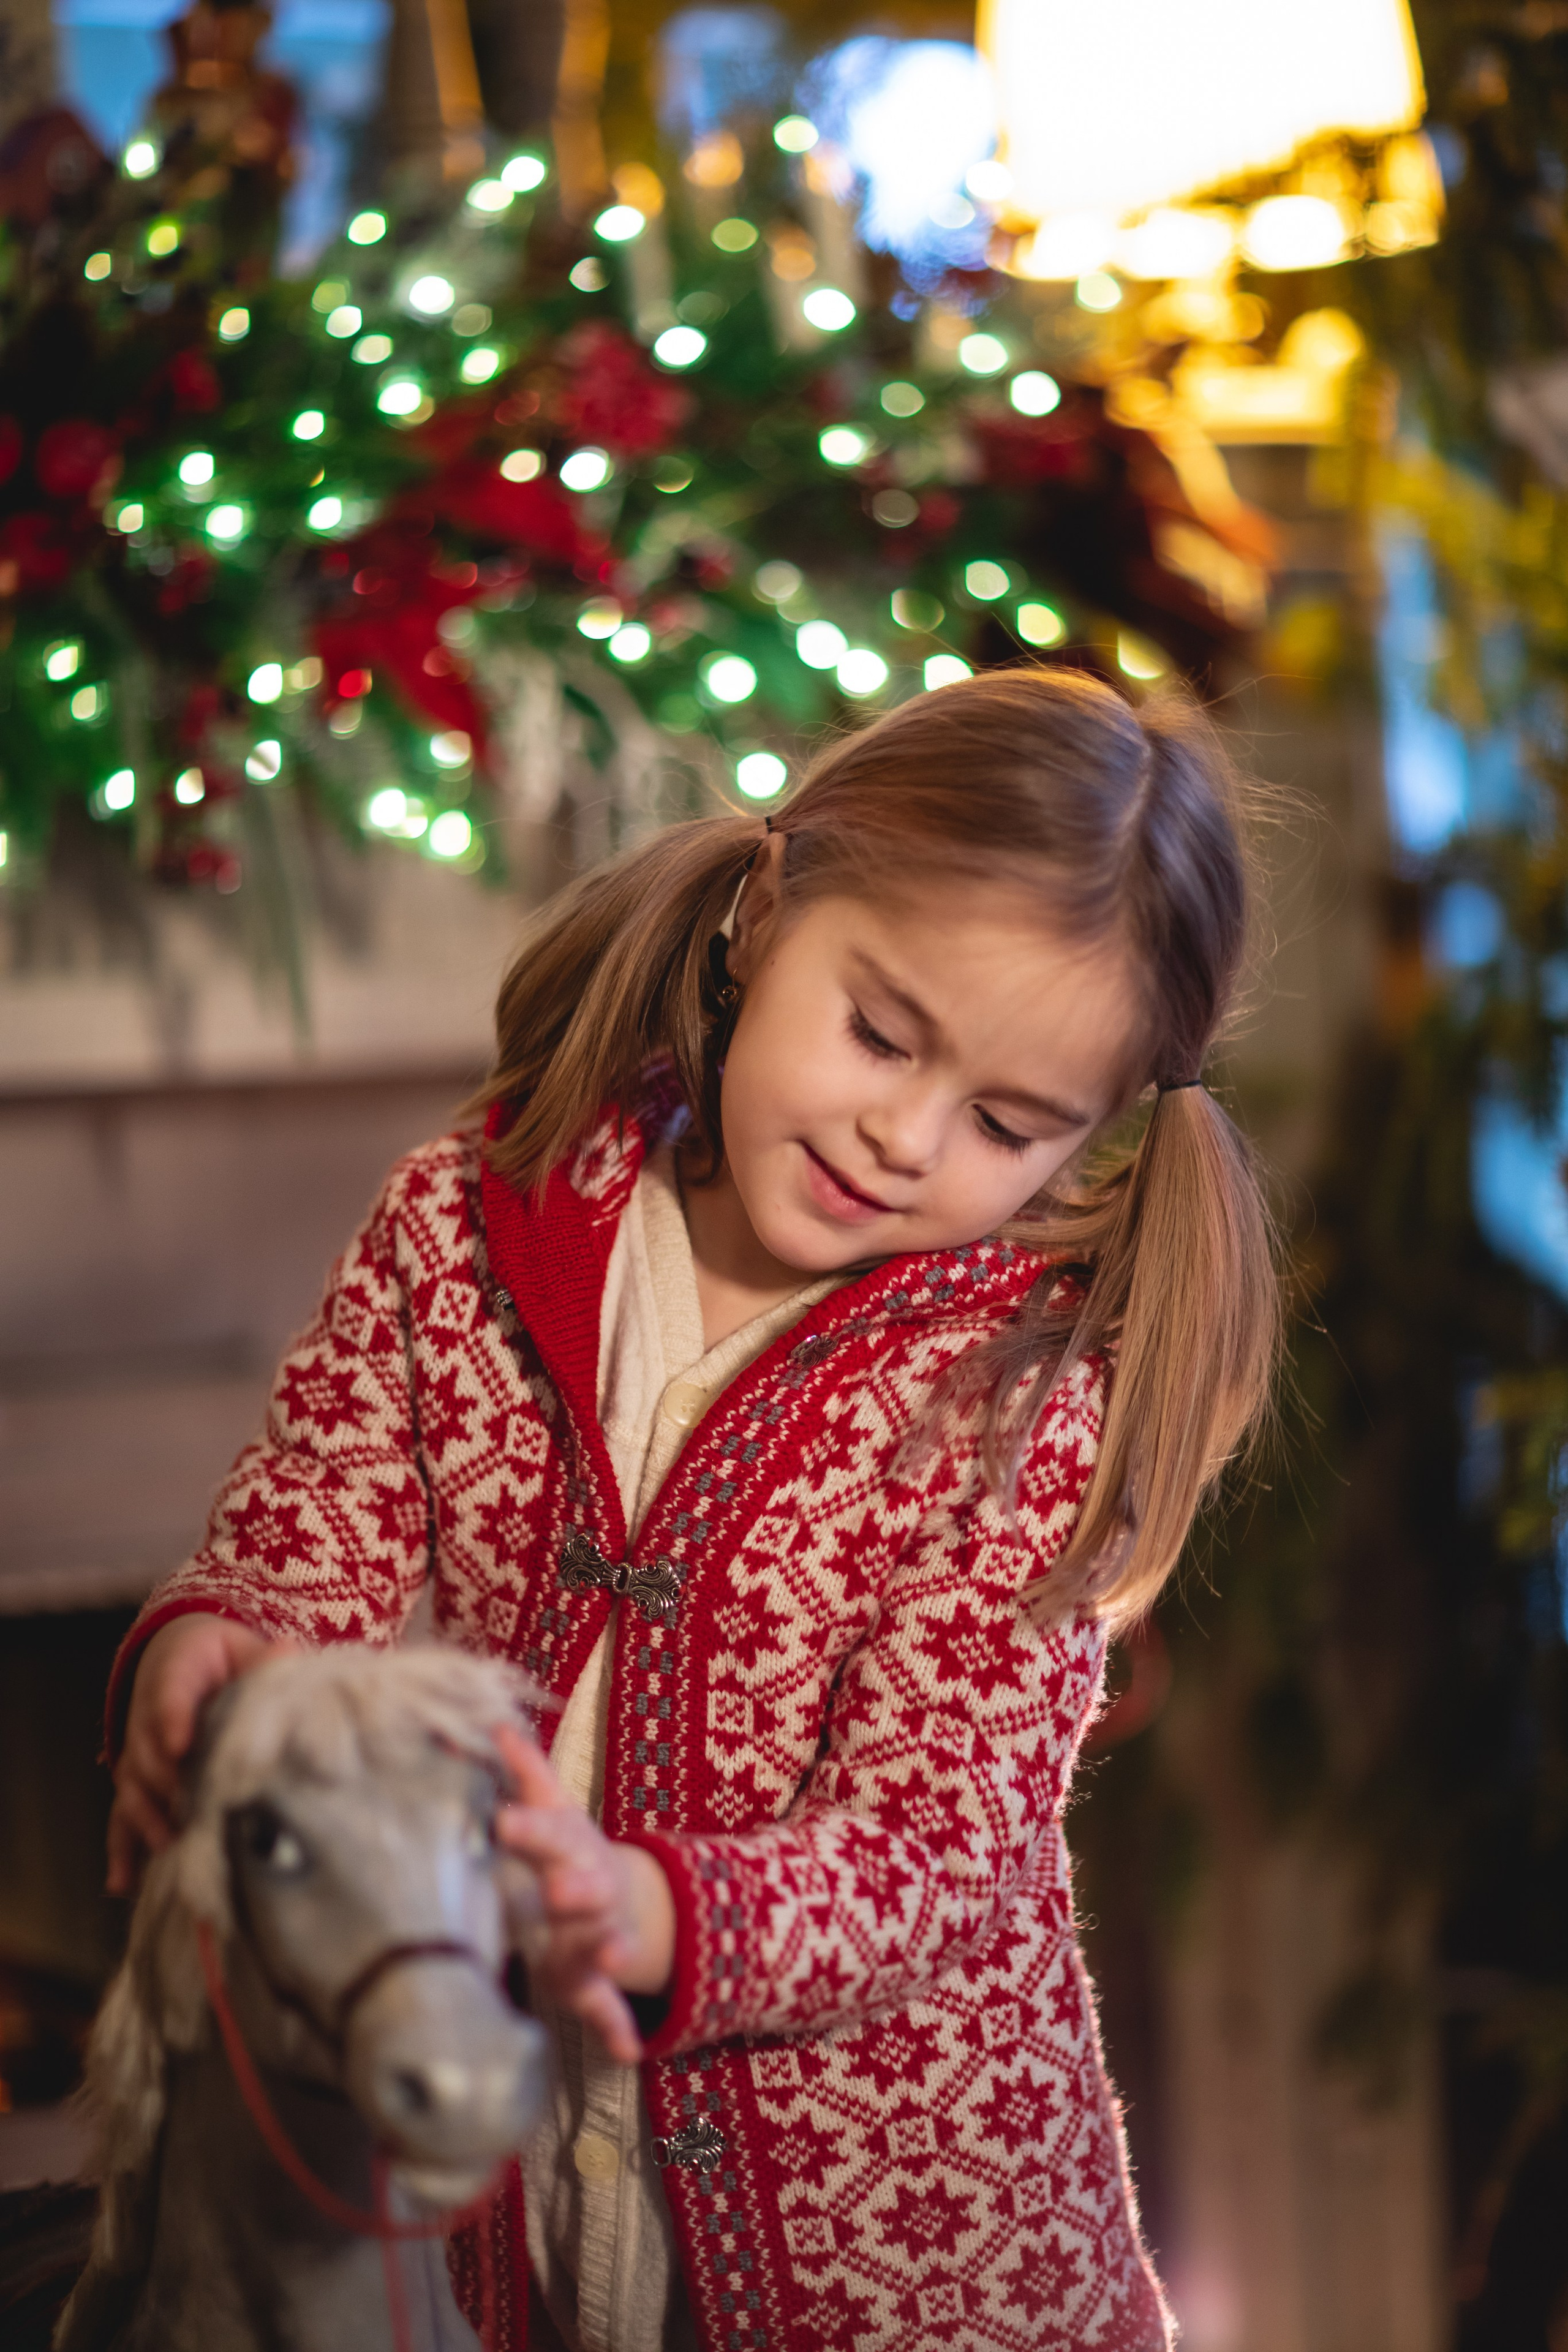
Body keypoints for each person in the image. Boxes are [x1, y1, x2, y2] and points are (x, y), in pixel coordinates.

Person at [104, 666, 1278, 2352]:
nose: (901, 1132)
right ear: (764, 908)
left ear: (1090, 1143)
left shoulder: (1012, 1413)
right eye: (879, 1032)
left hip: (919, 2291)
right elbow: (315, 1515)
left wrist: (663, 1911)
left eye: (1006, 1126)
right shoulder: (470, 1224)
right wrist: (226, 1642)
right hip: (545, 2231)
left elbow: (935, 1851)